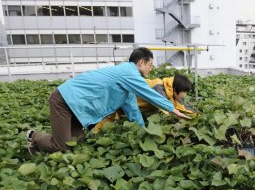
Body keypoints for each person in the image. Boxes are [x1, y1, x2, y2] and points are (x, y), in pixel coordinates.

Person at [26, 47, 191, 154]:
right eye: (150, 65)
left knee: (77, 142)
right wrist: (173, 109)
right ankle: (33, 136)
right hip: (64, 100)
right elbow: (148, 92)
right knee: (61, 147)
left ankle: (37, 146)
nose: (151, 68)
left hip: (76, 106)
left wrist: (144, 135)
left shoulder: (126, 87)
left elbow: (134, 112)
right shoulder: (128, 72)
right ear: (141, 62)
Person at [91, 74, 196, 132]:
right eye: (185, 92)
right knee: (106, 118)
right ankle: (91, 135)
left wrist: (195, 115)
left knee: (109, 121)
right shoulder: (158, 87)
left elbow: (179, 106)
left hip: (128, 105)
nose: (185, 95)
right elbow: (166, 110)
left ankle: (92, 133)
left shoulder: (168, 91)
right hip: (120, 98)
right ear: (176, 88)